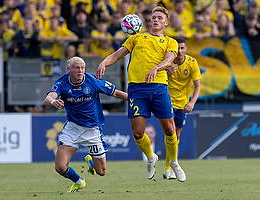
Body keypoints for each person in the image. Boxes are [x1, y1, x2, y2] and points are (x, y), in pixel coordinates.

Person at [96, 6, 186, 182]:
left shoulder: (170, 42)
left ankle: (174, 163)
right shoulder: (137, 38)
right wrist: (104, 64)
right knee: (138, 133)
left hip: (159, 87)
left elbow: (169, 60)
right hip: (137, 89)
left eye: (159, 18)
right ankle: (151, 158)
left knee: (170, 129)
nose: (155, 20)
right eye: (153, 17)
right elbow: (116, 55)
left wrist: (157, 68)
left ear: (166, 23)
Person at [43, 56, 128, 192]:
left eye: (82, 67)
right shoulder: (63, 83)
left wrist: (136, 100)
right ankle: (79, 181)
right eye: (77, 67)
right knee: (60, 167)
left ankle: (91, 162)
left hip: (92, 130)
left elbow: (116, 93)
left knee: (101, 172)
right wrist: (53, 102)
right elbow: (48, 98)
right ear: (69, 69)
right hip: (73, 128)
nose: (80, 70)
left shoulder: (92, 81)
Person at [164, 36, 201, 180]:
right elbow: (155, 80)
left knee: (176, 135)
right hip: (166, 101)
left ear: (186, 49)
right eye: (177, 48)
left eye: (182, 48)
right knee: (170, 132)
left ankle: (170, 166)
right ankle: (170, 168)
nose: (179, 51)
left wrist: (192, 102)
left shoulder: (192, 62)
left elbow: (197, 86)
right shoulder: (166, 61)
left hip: (182, 104)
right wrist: (167, 74)